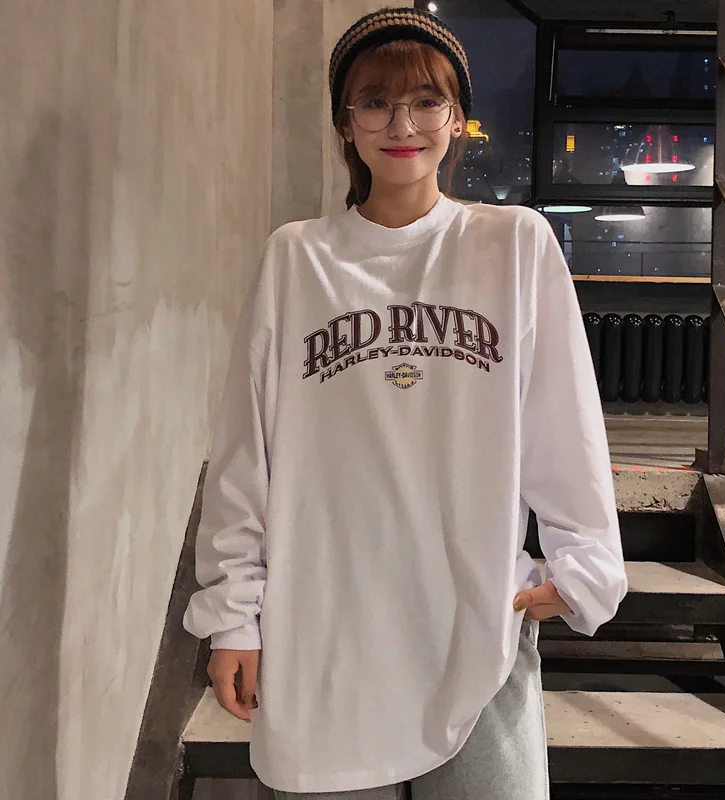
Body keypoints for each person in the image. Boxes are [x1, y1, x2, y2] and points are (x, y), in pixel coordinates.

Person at [183, 7, 628, 800]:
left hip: (474, 623)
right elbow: (248, 451)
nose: (402, 124)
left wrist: (585, 560)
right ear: (344, 123)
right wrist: (232, 615)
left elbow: (563, 421)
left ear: (457, 120)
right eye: (375, 101)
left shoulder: (513, 244)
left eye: (426, 101)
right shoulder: (298, 258)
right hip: (327, 631)